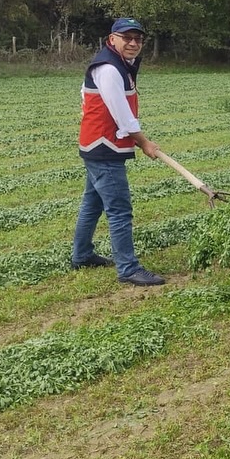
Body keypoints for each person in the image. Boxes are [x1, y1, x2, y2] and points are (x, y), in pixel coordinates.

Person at [71, 17, 167, 286]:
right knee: (119, 210)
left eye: (138, 39)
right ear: (112, 39)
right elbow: (122, 115)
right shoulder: (110, 68)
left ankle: (82, 255)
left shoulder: (119, 64)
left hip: (97, 144)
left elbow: (85, 95)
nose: (134, 43)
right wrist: (145, 142)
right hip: (103, 147)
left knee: (93, 203)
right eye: (127, 38)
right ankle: (128, 268)